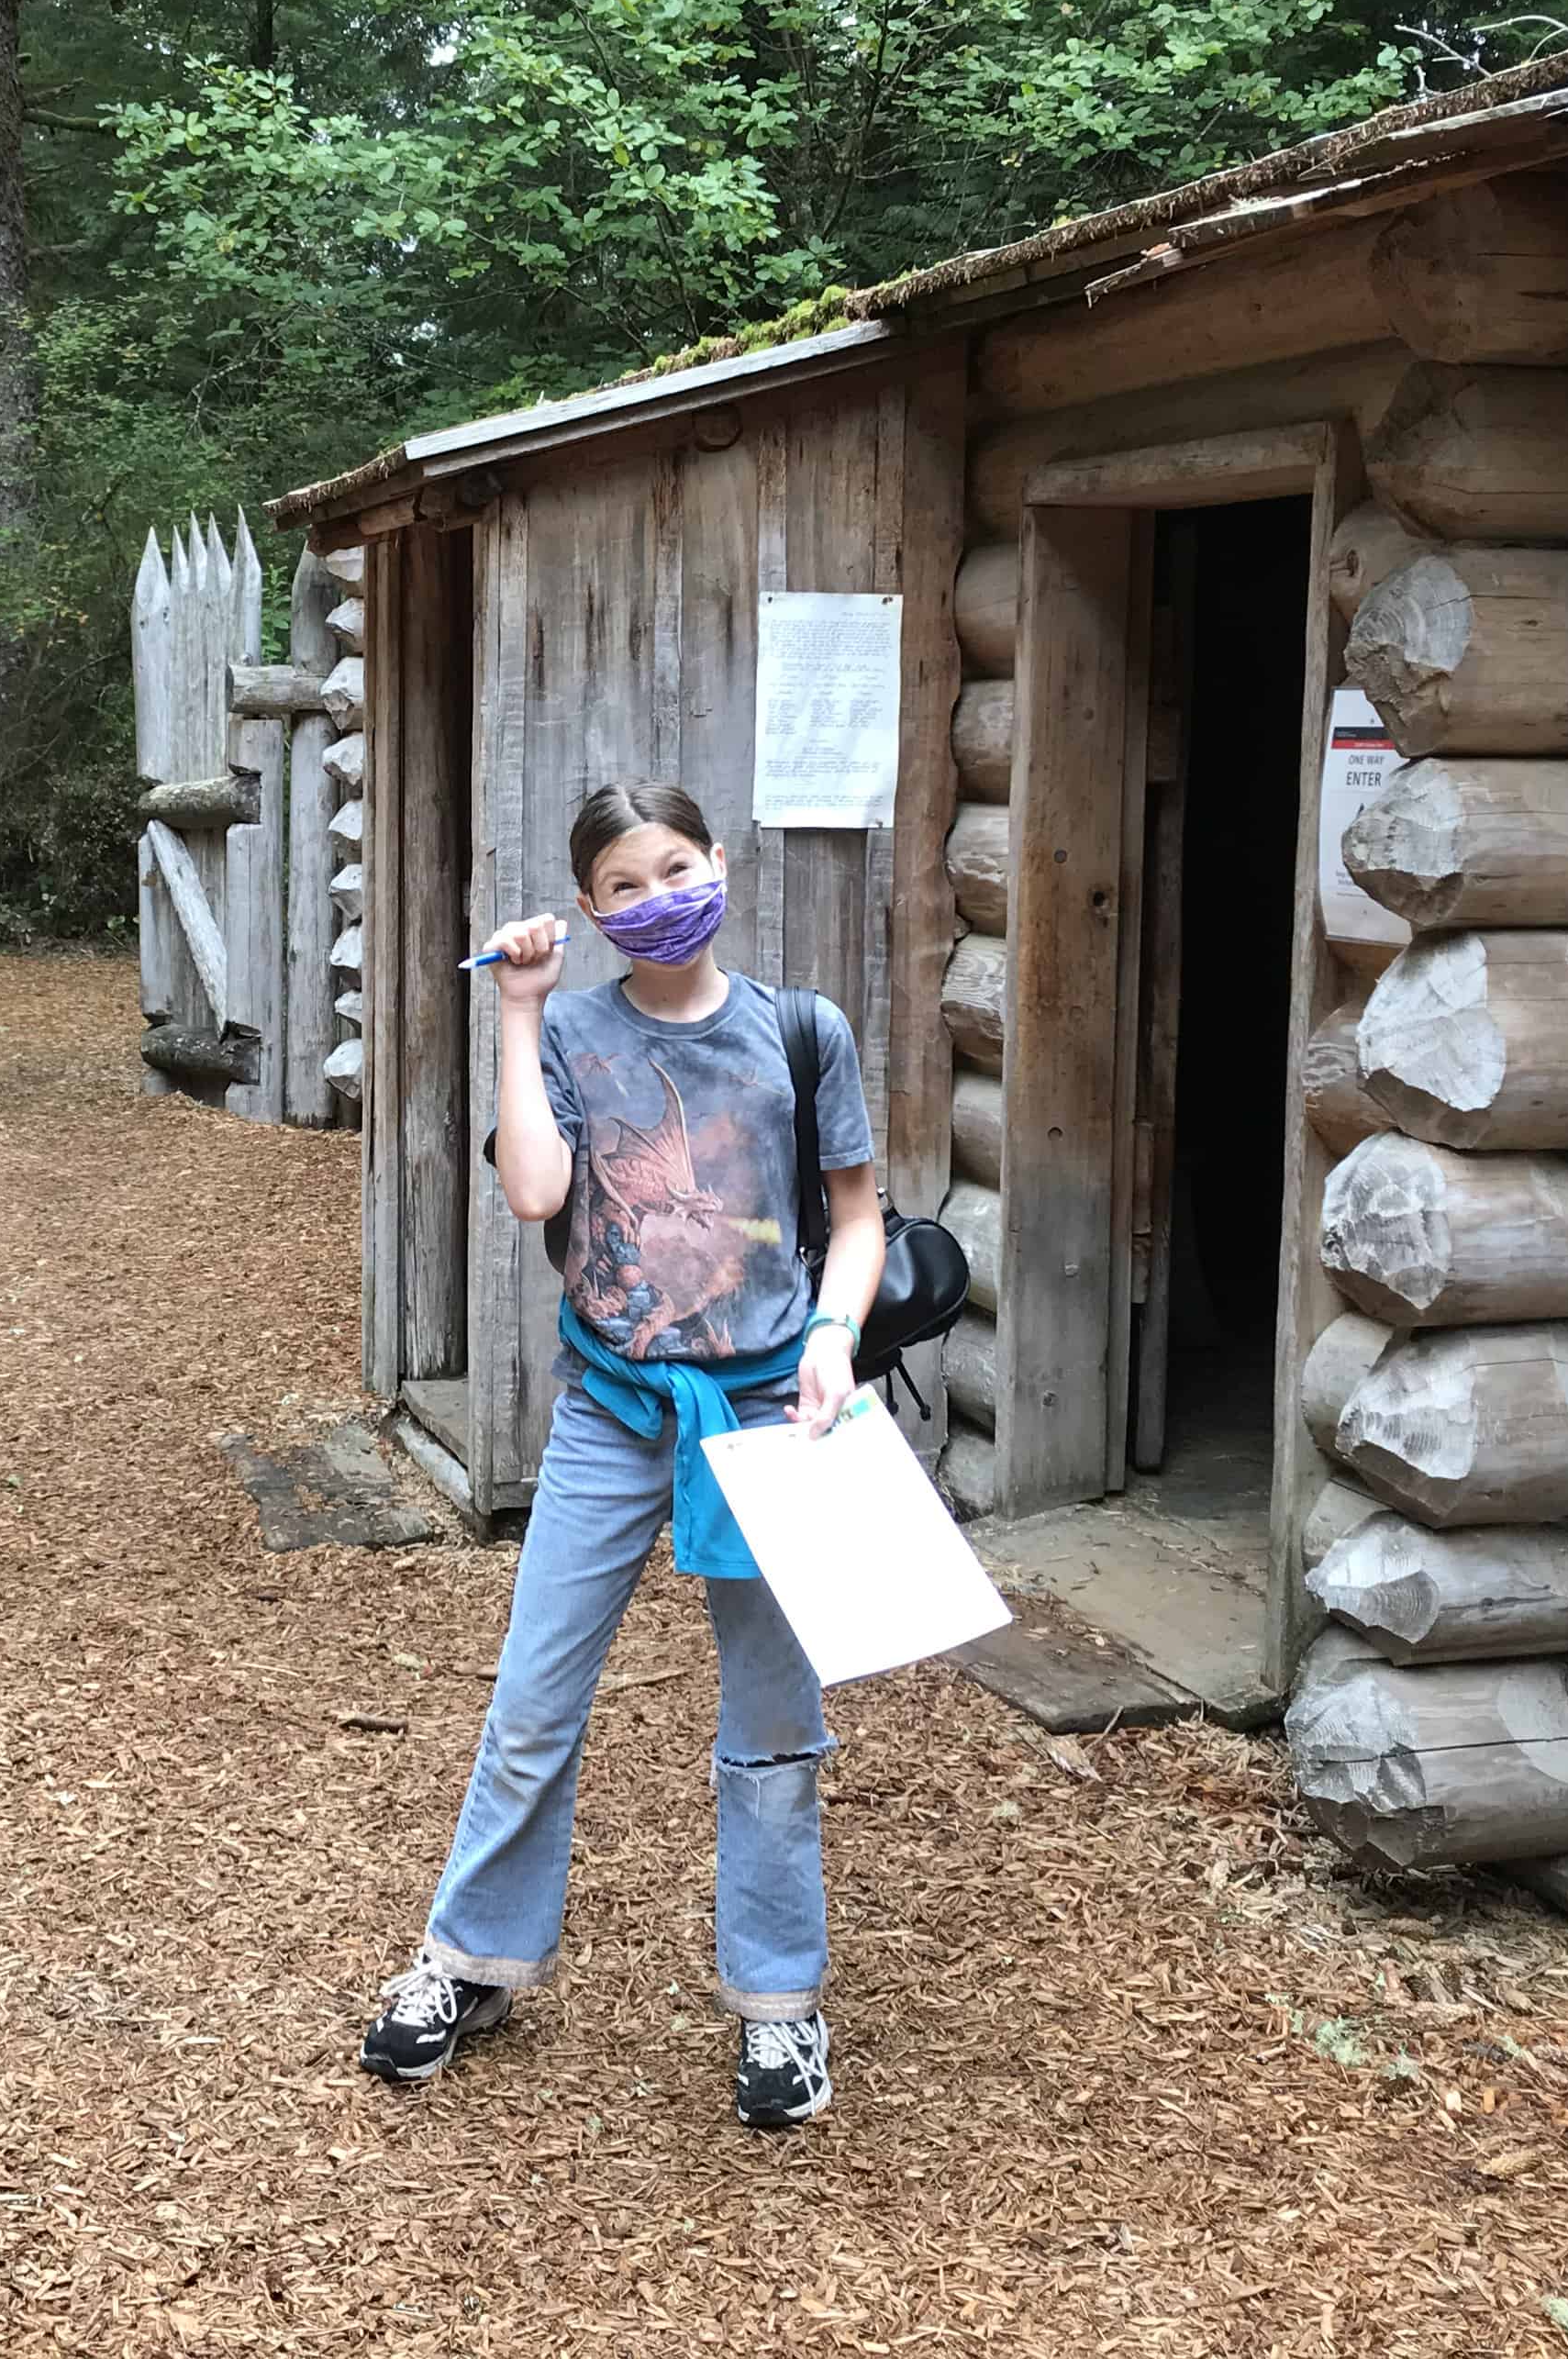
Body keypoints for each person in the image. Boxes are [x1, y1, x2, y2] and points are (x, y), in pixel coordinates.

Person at [358, 777, 885, 2130]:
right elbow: (537, 1192)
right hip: (612, 1411)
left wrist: (831, 1335)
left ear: (719, 862)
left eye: (674, 870)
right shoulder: (573, 1030)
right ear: (590, 912)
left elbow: (858, 1217)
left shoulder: (802, 1032)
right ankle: (470, 1961)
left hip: (775, 1417)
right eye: (624, 888)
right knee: (535, 1699)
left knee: (773, 1730)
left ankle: (781, 2008)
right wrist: (518, 1012)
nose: (657, 901)